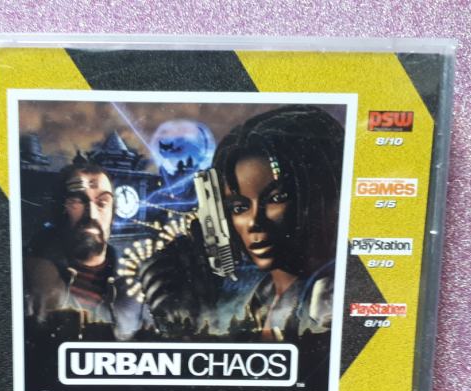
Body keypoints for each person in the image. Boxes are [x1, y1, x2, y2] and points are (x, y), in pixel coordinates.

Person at [142, 105, 344, 344]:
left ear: (319, 194)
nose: (254, 222)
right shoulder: (252, 296)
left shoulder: (328, 299)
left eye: (277, 198)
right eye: (239, 207)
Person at [24, 162, 147, 339]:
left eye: (102, 203)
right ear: (60, 210)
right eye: (77, 201)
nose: (92, 215)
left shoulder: (137, 288)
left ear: (113, 214)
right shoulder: (27, 279)